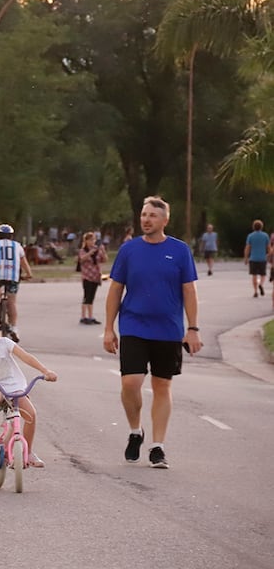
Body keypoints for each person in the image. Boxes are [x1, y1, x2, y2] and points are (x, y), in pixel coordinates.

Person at [103, 196, 201, 469]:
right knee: (130, 383)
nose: (146, 220)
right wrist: (109, 328)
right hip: (133, 325)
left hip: (168, 329)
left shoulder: (179, 250)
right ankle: (136, 431)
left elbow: (189, 290)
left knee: (162, 386)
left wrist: (192, 328)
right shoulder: (129, 250)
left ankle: (158, 446)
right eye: (144, 215)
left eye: (152, 216)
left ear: (165, 220)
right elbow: (115, 289)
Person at [0, 305, 57, 468]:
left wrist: (45, 371)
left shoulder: (5, 343)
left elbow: (26, 357)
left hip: (14, 387)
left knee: (31, 415)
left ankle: (28, 452)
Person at [0, 223, 32, 342]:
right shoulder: (17, 246)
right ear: (11, 236)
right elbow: (23, 262)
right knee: (12, 302)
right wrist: (29, 274)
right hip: (13, 276)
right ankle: (14, 328)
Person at [77, 231, 107, 325]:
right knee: (87, 296)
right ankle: (83, 316)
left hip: (95, 276)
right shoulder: (83, 250)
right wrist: (90, 253)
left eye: (93, 239)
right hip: (87, 276)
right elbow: (81, 259)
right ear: (86, 241)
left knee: (92, 297)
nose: (92, 241)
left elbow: (104, 260)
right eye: (90, 240)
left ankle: (90, 316)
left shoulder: (97, 250)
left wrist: (103, 251)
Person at [244, 219, 268, 298]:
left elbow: (248, 247)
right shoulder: (265, 235)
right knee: (263, 274)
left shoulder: (250, 236)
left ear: (253, 227)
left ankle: (255, 291)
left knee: (254, 275)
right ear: (261, 227)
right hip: (262, 258)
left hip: (253, 258)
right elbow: (268, 247)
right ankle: (261, 284)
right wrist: (269, 255)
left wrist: (246, 257)